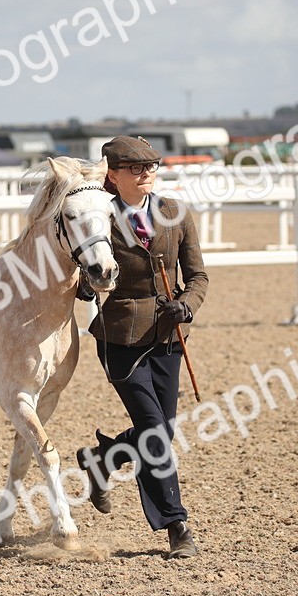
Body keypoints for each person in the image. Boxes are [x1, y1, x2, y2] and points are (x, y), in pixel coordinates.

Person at [75, 136, 209, 559]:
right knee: (155, 432)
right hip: (120, 339)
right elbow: (81, 274)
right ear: (113, 175)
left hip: (168, 338)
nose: (146, 173)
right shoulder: (98, 219)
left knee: (162, 431)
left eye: (151, 166)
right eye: (135, 168)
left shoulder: (176, 212)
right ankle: (176, 524)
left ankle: (104, 458)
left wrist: (186, 306)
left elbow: (198, 276)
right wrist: (86, 284)